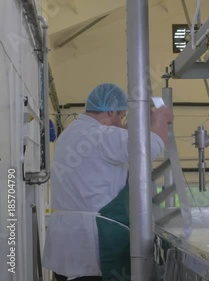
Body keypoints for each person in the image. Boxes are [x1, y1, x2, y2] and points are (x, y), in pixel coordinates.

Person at [42, 83, 173, 281]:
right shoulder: (100, 136)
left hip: (66, 246)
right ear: (111, 111)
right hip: (91, 246)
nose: (122, 123)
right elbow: (151, 145)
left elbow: (121, 138)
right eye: (121, 116)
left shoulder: (71, 134)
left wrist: (140, 122)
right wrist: (162, 119)